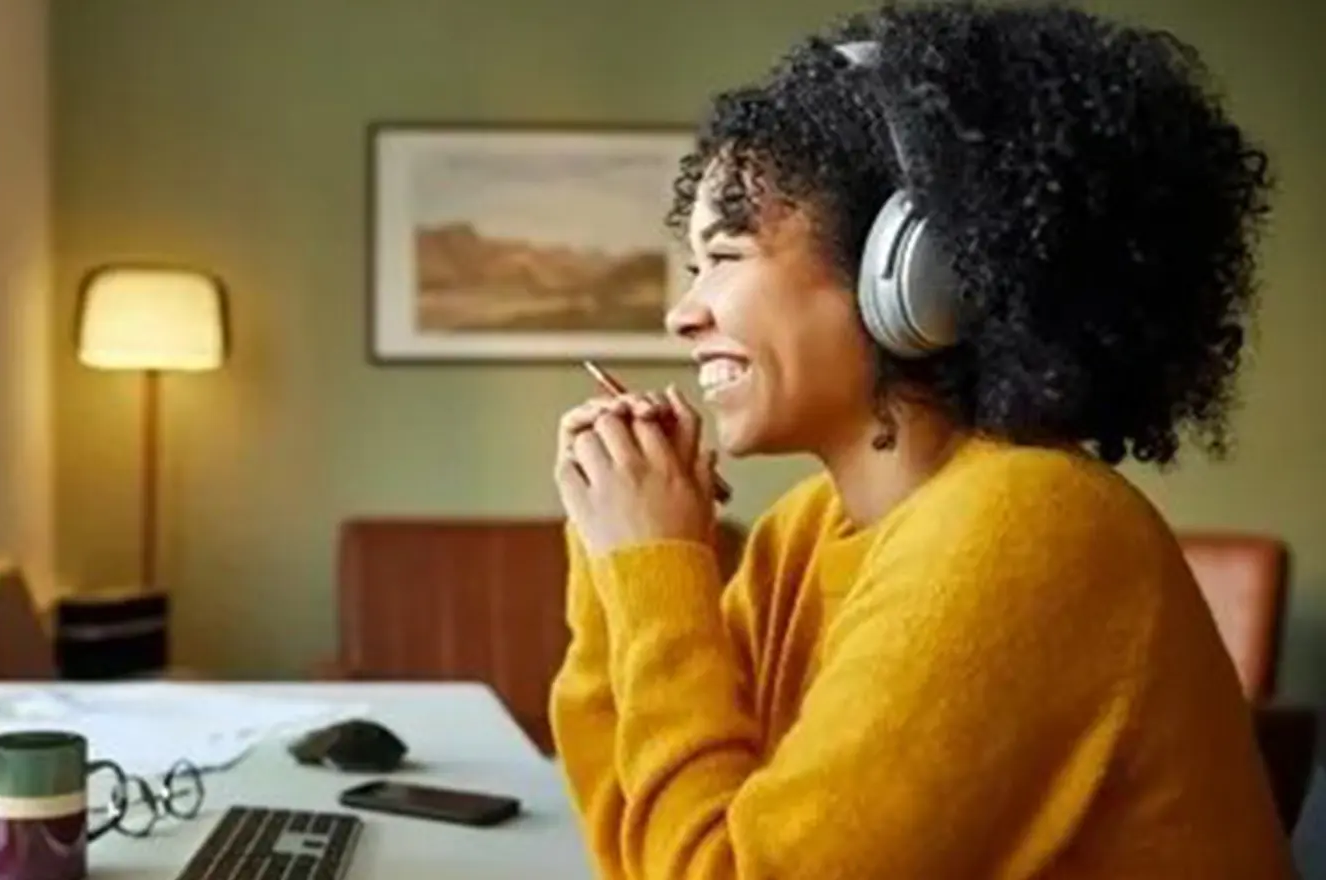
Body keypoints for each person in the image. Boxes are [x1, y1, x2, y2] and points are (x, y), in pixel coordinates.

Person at [548, 4, 1290, 878]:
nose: (683, 313)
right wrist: (615, 563)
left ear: (912, 271)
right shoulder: (809, 529)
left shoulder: (1031, 528)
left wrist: (653, 570)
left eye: (726, 257)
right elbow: (645, 848)